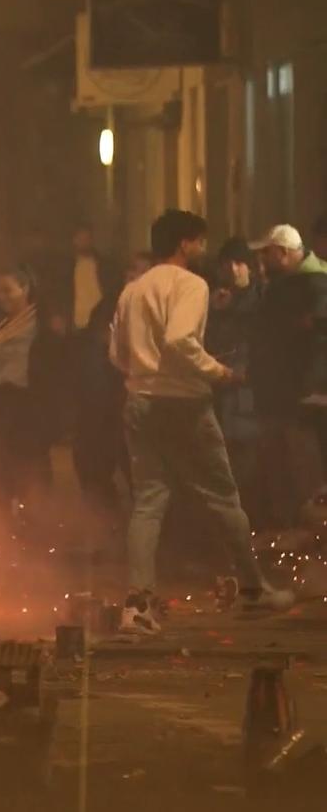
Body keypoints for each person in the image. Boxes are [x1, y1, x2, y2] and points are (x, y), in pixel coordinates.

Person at [108, 209, 292, 634]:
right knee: (222, 498)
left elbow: (116, 353)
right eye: (201, 242)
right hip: (184, 403)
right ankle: (253, 588)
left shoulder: (133, 291)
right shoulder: (192, 285)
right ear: (186, 243)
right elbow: (179, 340)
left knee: (149, 501)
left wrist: (141, 372)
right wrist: (220, 373)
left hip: (139, 399)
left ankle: (137, 604)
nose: (204, 250)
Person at [0, 265, 66, 534]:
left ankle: (36, 537)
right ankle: (2, 534)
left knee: (31, 474)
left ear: (25, 289)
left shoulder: (42, 324)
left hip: (27, 408)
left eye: (8, 290)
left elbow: (55, 373)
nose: (2, 296)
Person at [247, 223, 327, 531]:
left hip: (299, 394)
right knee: (289, 468)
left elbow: (297, 335)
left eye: (266, 253)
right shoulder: (293, 282)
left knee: (301, 471)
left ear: (282, 253)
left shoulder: (310, 283)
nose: (261, 260)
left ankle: (307, 539)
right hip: (288, 392)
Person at [72, 252, 151, 527]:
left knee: (139, 475)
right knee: (96, 468)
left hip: (136, 402)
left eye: (139, 271)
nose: (131, 276)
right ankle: (108, 529)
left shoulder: (157, 306)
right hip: (103, 404)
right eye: (129, 270)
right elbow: (92, 346)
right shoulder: (108, 306)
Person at [206, 238, 266, 528]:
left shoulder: (262, 298)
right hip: (221, 392)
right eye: (227, 264)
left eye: (239, 263)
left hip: (248, 393)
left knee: (249, 464)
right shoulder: (217, 301)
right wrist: (215, 311)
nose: (233, 269)